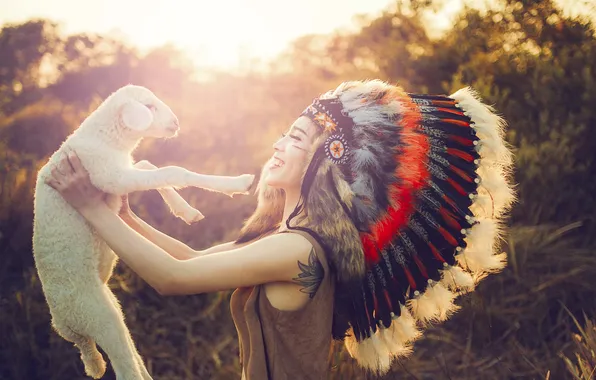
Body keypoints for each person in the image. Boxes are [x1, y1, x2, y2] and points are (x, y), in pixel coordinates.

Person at [46, 79, 515, 379]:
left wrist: (92, 207)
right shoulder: (288, 238)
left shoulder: (297, 251)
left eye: (293, 139)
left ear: (326, 161)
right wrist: (125, 216)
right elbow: (188, 259)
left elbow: (172, 279)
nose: (277, 145)